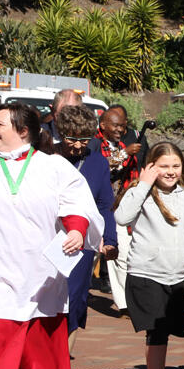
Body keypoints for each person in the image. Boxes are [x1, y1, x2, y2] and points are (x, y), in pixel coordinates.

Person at [0, 103, 103, 369]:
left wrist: (77, 229)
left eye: (0, 124)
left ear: (23, 131)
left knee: (24, 338)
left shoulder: (53, 166)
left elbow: (76, 204)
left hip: (38, 270)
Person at [114, 142, 184, 369]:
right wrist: (143, 183)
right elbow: (122, 216)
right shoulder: (142, 193)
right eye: (164, 166)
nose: (171, 171)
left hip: (175, 275)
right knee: (155, 332)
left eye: (176, 166)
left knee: (163, 335)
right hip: (145, 273)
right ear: (152, 166)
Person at [55, 105, 118, 355]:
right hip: (47, 238)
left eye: (85, 139)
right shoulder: (47, 157)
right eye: (72, 139)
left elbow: (105, 205)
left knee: (74, 301)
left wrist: (109, 239)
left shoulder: (97, 163)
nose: (79, 146)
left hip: (81, 246)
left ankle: (63, 363)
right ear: (61, 133)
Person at [96, 108, 142, 314]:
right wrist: (124, 154)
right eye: (115, 125)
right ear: (103, 125)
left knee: (121, 254)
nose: (120, 129)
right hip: (99, 208)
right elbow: (100, 167)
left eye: (123, 126)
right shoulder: (94, 144)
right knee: (91, 255)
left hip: (119, 207)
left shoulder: (123, 145)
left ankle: (124, 303)